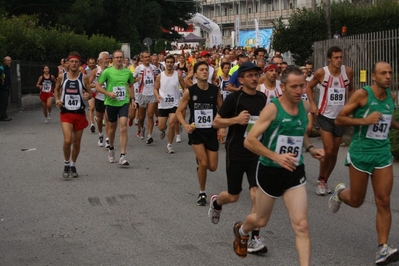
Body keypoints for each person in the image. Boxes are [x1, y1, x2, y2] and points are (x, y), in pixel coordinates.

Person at [232, 66, 324, 264]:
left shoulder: (305, 107)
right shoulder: (272, 109)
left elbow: (300, 132)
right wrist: (275, 156)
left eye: (302, 86)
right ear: (283, 87)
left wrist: (309, 149)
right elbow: (250, 141)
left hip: (294, 171)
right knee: (260, 220)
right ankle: (241, 230)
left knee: (301, 225)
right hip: (269, 171)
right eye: (294, 87)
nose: (299, 91)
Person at [330, 61, 399, 266]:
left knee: (383, 200)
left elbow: (386, 120)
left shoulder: (391, 98)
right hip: (360, 153)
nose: (388, 76)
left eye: (390, 73)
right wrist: (364, 121)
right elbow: (339, 119)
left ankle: (383, 248)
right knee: (357, 200)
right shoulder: (362, 95)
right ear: (373, 76)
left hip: (382, 154)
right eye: (383, 73)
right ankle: (340, 193)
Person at [210, 62, 267, 254]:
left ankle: (254, 237)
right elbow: (216, 122)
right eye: (249, 75)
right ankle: (217, 202)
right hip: (236, 152)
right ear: (241, 79)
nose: (253, 78)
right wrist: (235, 120)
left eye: (255, 75)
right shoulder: (234, 98)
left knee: (255, 195)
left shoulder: (262, 98)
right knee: (233, 196)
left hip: (256, 153)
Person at [306, 46, 354, 195]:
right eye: (336, 57)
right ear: (329, 59)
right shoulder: (322, 73)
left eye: (341, 57)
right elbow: (309, 87)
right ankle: (321, 180)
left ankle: (324, 180)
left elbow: (351, 89)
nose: (339, 60)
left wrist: (351, 104)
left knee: (334, 153)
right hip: (325, 115)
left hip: (340, 117)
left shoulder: (348, 72)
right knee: (329, 150)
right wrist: (313, 104)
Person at [176, 61, 223, 206]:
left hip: (211, 132)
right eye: (201, 70)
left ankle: (200, 164)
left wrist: (222, 127)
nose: (205, 72)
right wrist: (185, 125)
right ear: (195, 74)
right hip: (196, 132)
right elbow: (178, 111)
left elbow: (222, 109)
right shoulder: (190, 91)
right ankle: (202, 193)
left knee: (212, 167)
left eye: (206, 70)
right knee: (203, 163)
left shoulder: (215, 90)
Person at [54, 52, 91, 178]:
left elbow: (89, 93)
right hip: (66, 113)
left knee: (76, 142)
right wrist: (57, 100)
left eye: (76, 62)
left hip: (79, 113)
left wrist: (87, 95)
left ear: (79, 64)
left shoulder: (83, 77)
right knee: (68, 140)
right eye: (72, 61)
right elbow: (56, 89)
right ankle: (66, 163)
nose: (74, 64)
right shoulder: (62, 77)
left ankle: (73, 164)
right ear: (67, 63)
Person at [96, 50, 136, 165]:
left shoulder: (127, 72)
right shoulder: (107, 72)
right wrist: (108, 94)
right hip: (111, 103)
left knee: (123, 127)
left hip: (123, 102)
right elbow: (98, 87)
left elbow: (131, 85)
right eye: (117, 57)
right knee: (112, 128)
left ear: (123, 59)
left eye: (121, 57)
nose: (119, 59)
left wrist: (132, 99)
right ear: (112, 59)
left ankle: (123, 155)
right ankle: (112, 148)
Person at [154, 55, 186, 153]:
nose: (169, 64)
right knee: (161, 126)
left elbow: (184, 87)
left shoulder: (178, 75)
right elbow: (155, 88)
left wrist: (184, 97)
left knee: (172, 124)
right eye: (167, 62)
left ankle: (169, 145)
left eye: (171, 62)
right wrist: (157, 96)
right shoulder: (160, 76)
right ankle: (163, 130)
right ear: (165, 63)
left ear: (174, 63)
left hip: (175, 103)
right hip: (163, 104)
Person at [134, 51, 157, 144]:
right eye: (145, 57)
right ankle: (141, 128)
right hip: (142, 94)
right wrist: (136, 79)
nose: (147, 59)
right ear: (142, 58)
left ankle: (149, 135)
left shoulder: (154, 68)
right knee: (141, 117)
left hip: (152, 94)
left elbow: (158, 79)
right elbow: (131, 79)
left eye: (148, 57)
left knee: (150, 115)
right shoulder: (138, 68)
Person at [89, 51, 110, 148]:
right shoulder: (95, 70)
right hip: (99, 97)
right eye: (106, 58)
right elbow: (88, 84)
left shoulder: (111, 70)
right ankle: (101, 134)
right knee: (99, 118)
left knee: (108, 118)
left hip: (109, 97)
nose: (108, 60)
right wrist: (97, 86)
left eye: (108, 58)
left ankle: (108, 139)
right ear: (101, 60)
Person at [83, 57, 97, 133]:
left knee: (100, 109)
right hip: (90, 91)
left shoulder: (99, 69)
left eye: (93, 63)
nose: (92, 64)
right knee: (91, 107)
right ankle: (92, 124)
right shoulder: (85, 71)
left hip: (99, 91)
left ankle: (99, 118)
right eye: (90, 63)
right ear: (87, 63)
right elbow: (84, 81)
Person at [0, 56, 12, 121]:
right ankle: (3, 116)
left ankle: (3, 114)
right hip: (2, 88)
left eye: (10, 61)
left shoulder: (8, 68)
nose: (9, 62)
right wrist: (1, 79)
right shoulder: (2, 68)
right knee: (3, 102)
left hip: (6, 87)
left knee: (5, 102)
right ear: (5, 61)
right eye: (8, 61)